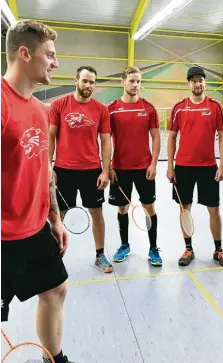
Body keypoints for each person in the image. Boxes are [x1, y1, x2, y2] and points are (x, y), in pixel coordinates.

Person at [1, 20, 75, 363]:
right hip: (3, 237)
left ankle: (53, 358)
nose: (56, 63)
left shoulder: (38, 109)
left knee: (56, 289)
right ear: (24, 53)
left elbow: (44, 166)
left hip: (34, 230)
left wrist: (55, 218)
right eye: (50, 55)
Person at [49, 65, 113, 273]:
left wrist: (105, 170)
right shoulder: (59, 105)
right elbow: (50, 137)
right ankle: (53, 257)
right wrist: (49, 166)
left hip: (91, 171)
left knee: (97, 212)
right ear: (76, 81)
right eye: (85, 80)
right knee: (59, 214)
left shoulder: (101, 109)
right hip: (63, 170)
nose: (88, 85)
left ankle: (100, 255)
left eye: (92, 82)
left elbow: (105, 141)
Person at [167, 66, 223, 268]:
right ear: (189, 83)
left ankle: (218, 249)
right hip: (183, 167)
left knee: (214, 209)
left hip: (208, 167)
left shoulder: (215, 107)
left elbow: (222, 136)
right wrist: (170, 166)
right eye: (194, 80)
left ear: (205, 82)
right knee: (184, 208)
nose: (198, 84)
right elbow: (171, 138)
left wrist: (222, 165)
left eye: (201, 80)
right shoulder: (179, 107)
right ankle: (188, 249)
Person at [107, 66, 162, 266]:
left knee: (149, 208)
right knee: (122, 208)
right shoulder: (112, 109)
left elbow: (156, 137)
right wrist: (108, 167)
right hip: (119, 169)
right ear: (122, 82)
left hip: (144, 169)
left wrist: (154, 163)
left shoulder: (148, 108)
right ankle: (124, 245)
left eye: (138, 81)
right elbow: (104, 140)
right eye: (132, 81)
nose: (136, 85)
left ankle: (153, 248)